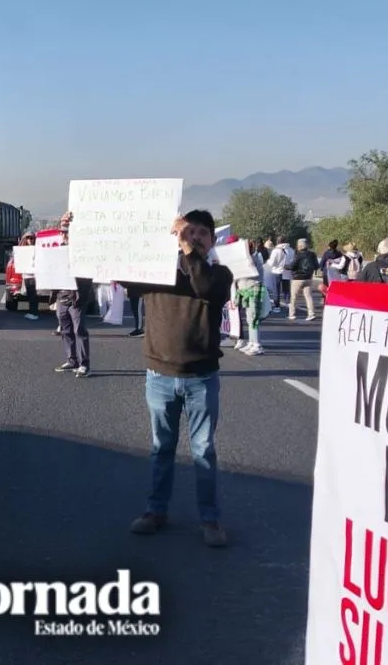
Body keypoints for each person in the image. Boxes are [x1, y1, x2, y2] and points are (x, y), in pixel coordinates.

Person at [119, 209, 234, 548]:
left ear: (212, 241)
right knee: (161, 448)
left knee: (203, 449)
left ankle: (210, 519)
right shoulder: (155, 273)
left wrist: (187, 249)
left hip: (201, 377)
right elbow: (114, 269)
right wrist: (79, 232)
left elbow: (203, 287)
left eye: (201, 233)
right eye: (188, 231)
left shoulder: (220, 274)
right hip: (159, 376)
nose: (194, 236)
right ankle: (156, 511)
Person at [54, 215, 92, 377]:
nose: (63, 236)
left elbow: (88, 275)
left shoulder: (82, 252)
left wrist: (81, 295)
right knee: (65, 330)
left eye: (66, 233)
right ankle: (72, 360)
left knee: (80, 330)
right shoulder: (59, 251)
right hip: (61, 297)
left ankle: (84, 364)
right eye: (62, 233)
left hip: (76, 297)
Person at [233, 238, 266, 355]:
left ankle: (256, 344)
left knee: (253, 318)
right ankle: (252, 342)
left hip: (253, 288)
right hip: (246, 289)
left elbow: (248, 272)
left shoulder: (251, 259)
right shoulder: (249, 258)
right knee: (249, 318)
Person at [287, 238, 320, 320]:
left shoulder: (298, 255)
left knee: (294, 297)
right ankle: (311, 314)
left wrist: (284, 266)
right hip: (308, 278)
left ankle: (292, 314)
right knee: (308, 296)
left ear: (299, 246)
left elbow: (292, 266)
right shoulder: (312, 254)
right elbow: (317, 266)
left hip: (298, 278)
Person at [17, 232, 39, 320]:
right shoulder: (23, 249)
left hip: (34, 276)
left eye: (31, 238)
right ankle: (31, 311)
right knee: (30, 295)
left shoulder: (36, 249)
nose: (30, 239)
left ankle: (34, 312)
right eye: (28, 238)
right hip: (26, 276)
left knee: (33, 295)